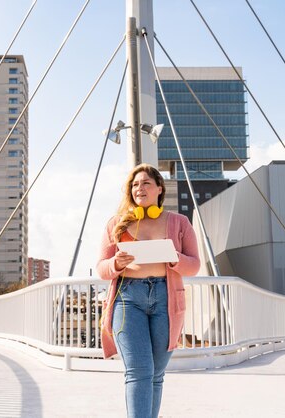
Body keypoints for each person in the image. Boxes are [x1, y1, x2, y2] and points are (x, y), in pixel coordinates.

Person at [97, 163, 200, 418]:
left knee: (156, 374)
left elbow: (195, 264)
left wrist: (175, 258)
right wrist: (115, 264)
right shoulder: (115, 224)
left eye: (145, 183)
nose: (139, 188)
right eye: (134, 184)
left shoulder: (179, 222)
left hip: (166, 299)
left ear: (159, 189)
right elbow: (101, 267)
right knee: (139, 371)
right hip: (128, 299)